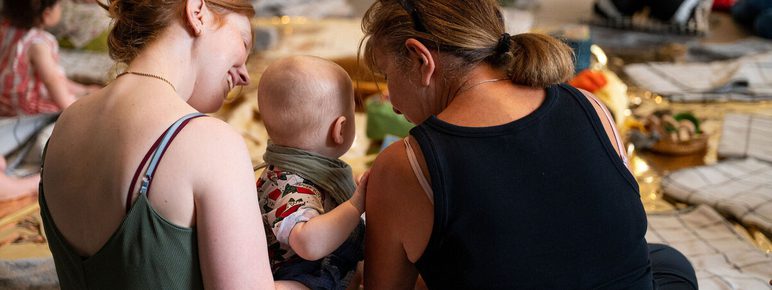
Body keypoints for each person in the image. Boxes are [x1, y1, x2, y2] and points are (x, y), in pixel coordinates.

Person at [360, 0, 698, 289]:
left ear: (421, 60)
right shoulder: (590, 104)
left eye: (387, 75)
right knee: (668, 261)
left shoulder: (406, 163)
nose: (393, 105)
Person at [39, 0, 275, 288]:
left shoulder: (66, 123)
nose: (245, 75)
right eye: (243, 41)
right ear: (197, 12)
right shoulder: (210, 143)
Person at [256, 55, 367, 290]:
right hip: (296, 275)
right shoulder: (292, 185)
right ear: (341, 129)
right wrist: (355, 204)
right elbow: (308, 243)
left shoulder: (292, 169)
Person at [0, 0, 96, 201]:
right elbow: (54, 84)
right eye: (59, 5)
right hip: (30, 113)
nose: (61, 8)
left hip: (7, 108)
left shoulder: (6, 31)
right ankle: (38, 177)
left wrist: (85, 89)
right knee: (65, 129)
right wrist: (76, 111)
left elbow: (57, 79)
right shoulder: (39, 43)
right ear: (46, 13)